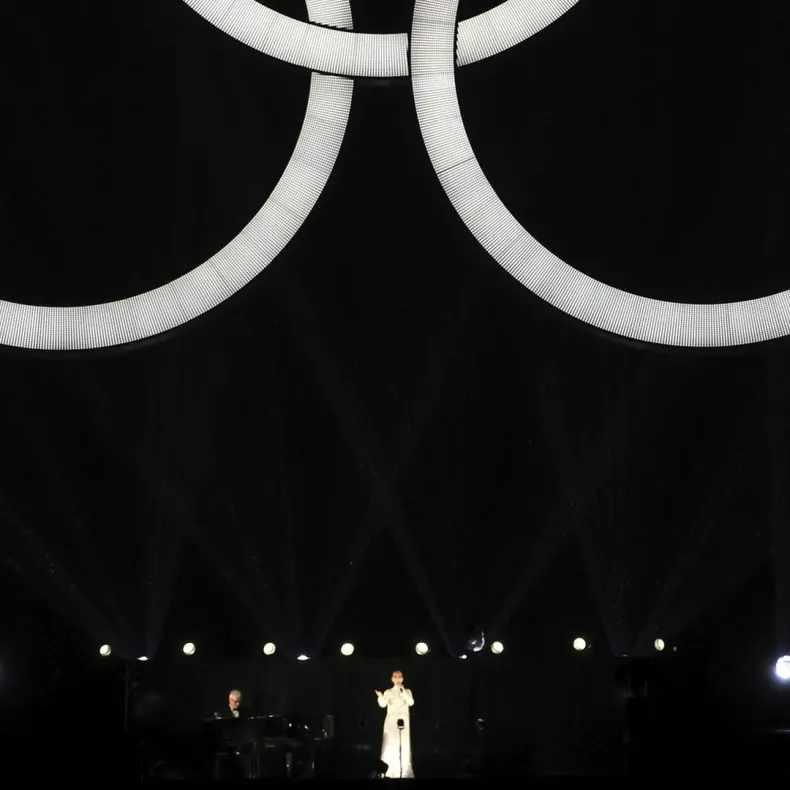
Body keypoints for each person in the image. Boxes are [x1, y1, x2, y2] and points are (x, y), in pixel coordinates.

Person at [375, 670, 414, 778]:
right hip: (391, 723)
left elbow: (411, 702)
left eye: (399, 676)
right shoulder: (388, 692)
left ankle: (404, 772)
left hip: (404, 723)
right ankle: (389, 772)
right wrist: (380, 696)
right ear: (392, 679)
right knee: (391, 746)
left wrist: (403, 691)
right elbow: (383, 704)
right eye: (395, 677)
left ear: (402, 679)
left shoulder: (407, 691)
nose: (398, 679)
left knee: (404, 746)